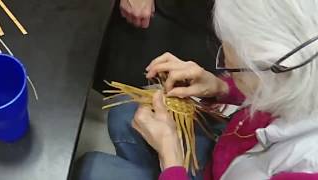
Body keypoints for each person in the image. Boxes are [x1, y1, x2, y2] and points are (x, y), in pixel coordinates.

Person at [74, 0, 318, 179]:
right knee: (126, 110)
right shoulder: (301, 70)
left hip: (223, 167)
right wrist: (221, 87)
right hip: (226, 156)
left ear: (265, 68)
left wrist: (171, 159)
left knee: (92, 170)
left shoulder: (303, 167)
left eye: (231, 63)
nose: (224, 65)